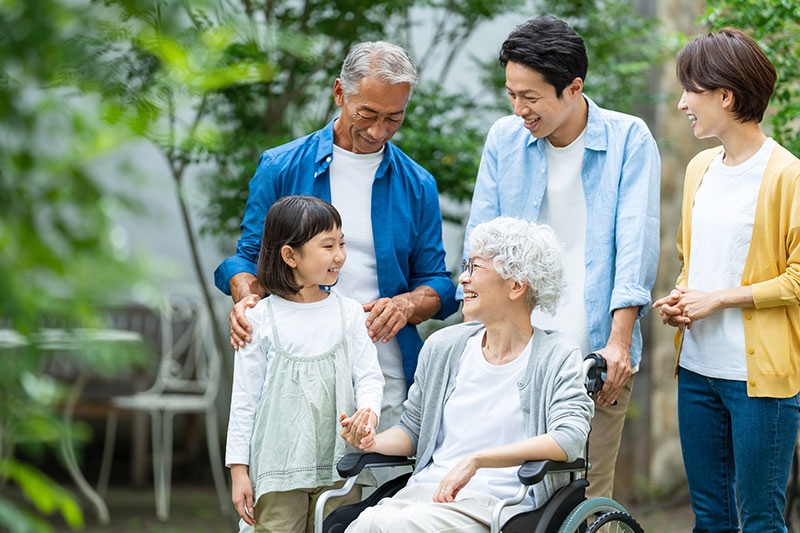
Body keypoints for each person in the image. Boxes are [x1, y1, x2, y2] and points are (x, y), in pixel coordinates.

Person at [462, 16, 660, 500]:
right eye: (511, 94)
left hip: (592, 355)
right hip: (510, 355)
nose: (518, 109)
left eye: (530, 97)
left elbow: (635, 247)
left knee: (585, 501)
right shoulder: (504, 140)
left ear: (573, 88)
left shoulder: (628, 140)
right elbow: (479, 244)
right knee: (500, 497)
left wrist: (618, 343)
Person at [215, 41, 458, 436]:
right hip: (296, 367)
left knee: (380, 494)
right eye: (367, 114)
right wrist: (245, 298)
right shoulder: (280, 166)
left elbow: (437, 283)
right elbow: (247, 260)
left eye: (394, 119)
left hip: (382, 374)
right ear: (339, 93)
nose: (379, 131)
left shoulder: (418, 184)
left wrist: (405, 304)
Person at [340, 217, 593, 532]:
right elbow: (412, 431)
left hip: (497, 504)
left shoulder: (556, 355)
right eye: (465, 267)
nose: (463, 279)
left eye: (475, 268)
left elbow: (568, 438)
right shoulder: (444, 347)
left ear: (516, 284)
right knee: (364, 524)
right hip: (424, 494)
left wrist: (478, 459)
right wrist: (371, 440)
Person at [654, 29, 800, 532]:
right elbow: (691, 261)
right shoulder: (699, 168)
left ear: (725, 95)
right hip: (697, 370)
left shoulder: (788, 175)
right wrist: (683, 297)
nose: (681, 103)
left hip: (760, 384)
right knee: (710, 521)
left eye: (690, 91)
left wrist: (717, 300)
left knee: (760, 520)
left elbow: (799, 279)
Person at [225, 196, 385, 533]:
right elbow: (243, 401)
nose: (340, 255)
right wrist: (239, 471)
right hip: (277, 471)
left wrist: (368, 412)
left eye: (342, 243)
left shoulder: (350, 313)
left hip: (340, 467)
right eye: (328, 246)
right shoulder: (259, 319)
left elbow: (369, 376)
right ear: (290, 254)